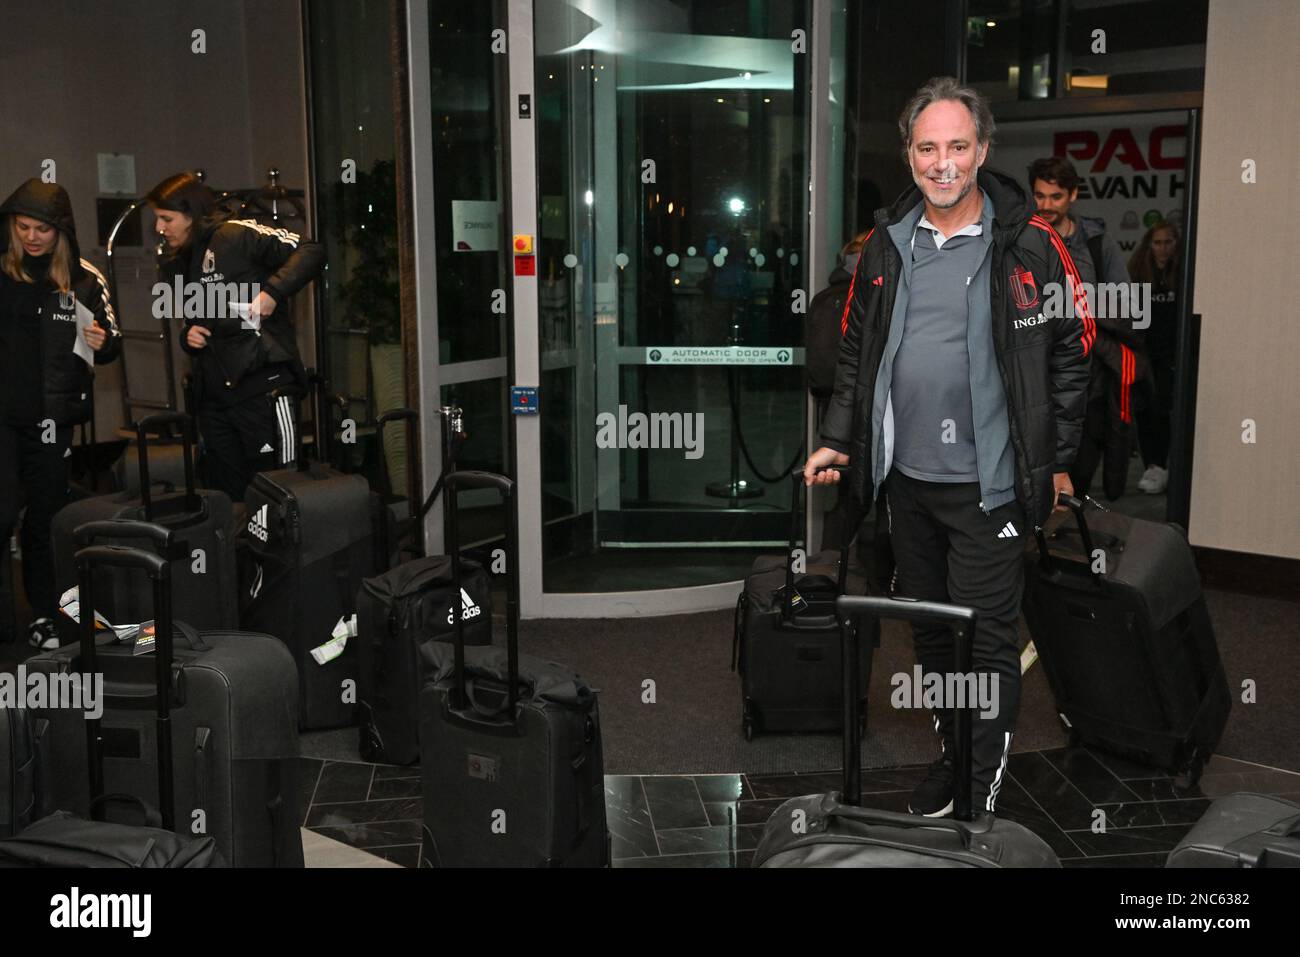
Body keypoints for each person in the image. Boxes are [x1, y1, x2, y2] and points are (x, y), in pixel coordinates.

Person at [805, 77, 1093, 816]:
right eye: (928, 147)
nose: (943, 162)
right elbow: (856, 356)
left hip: (991, 487)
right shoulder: (884, 248)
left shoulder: (1031, 245)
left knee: (987, 643)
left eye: (957, 146)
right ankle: (954, 754)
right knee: (932, 637)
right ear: (909, 155)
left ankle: (975, 802)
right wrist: (839, 439)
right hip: (907, 483)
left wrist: (1055, 460)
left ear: (982, 150)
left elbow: (1073, 349)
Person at [146, 172, 325, 501]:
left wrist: (272, 292)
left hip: (263, 386)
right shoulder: (178, 261)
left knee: (277, 491)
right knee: (226, 497)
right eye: (158, 219)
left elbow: (310, 250)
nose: (159, 228)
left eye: (166, 219)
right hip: (215, 397)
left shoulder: (236, 234)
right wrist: (190, 336)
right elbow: (197, 320)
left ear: (191, 214)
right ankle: (237, 554)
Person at [0, 179, 120, 649]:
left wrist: (103, 343)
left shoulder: (84, 277)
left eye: (42, 229)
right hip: (3, 419)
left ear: (60, 231)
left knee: (45, 519)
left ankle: (46, 616)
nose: (31, 237)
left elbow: (110, 345)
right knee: (2, 512)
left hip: (52, 419)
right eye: (23, 226)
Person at [1029, 156, 1148, 501]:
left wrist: (1074, 305)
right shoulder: (1023, 239)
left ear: (1073, 195)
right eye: (1039, 196)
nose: (1046, 205)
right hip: (1032, 373)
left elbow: (1129, 304)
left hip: (1087, 376)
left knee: (1075, 474)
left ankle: (1067, 548)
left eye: (1056, 197)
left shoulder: (1097, 243)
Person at [1129, 222, 1180, 495]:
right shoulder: (1138, 273)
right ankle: (1154, 466)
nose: (1163, 248)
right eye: (1158, 242)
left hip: (1175, 356)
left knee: (1168, 412)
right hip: (1145, 354)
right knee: (1147, 410)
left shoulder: (1185, 274)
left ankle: (1169, 466)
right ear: (1149, 245)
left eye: (1168, 241)